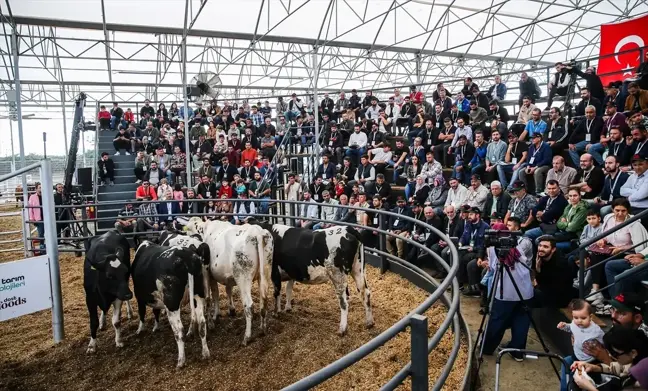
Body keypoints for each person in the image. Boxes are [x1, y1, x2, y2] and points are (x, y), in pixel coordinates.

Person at [481, 217, 535, 362]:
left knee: (497, 319)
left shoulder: (493, 247)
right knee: (521, 320)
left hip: (506, 291)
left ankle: (486, 348)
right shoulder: (517, 242)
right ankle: (517, 351)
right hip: (525, 290)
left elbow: (493, 267)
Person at [571, 326, 648, 391]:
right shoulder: (634, 360)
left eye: (615, 353)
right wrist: (595, 368)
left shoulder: (641, 377)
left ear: (633, 353)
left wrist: (590, 388)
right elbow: (621, 368)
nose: (611, 356)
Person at [556, 299, 605, 391]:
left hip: (589, 361)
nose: (579, 321)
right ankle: (564, 388)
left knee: (575, 379)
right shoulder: (575, 324)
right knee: (565, 363)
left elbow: (605, 343)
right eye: (575, 317)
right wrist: (564, 326)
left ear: (590, 317)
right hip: (576, 356)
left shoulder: (596, 331)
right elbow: (571, 328)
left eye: (583, 318)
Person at [534, 235, 575, 308]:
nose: (541, 249)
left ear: (553, 249)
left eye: (545, 247)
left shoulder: (560, 264)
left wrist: (538, 272)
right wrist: (538, 269)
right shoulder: (540, 257)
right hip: (548, 291)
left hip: (560, 297)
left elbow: (555, 288)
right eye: (540, 246)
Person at [458, 207, 489, 296]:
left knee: (466, 260)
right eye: (469, 214)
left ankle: (471, 287)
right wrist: (460, 243)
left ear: (478, 215)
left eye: (471, 214)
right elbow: (464, 236)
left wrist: (474, 248)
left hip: (478, 251)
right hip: (468, 248)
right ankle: (458, 282)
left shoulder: (485, 227)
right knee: (456, 254)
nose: (469, 216)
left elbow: (484, 245)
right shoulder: (468, 223)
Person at [619, 154, 648, 225]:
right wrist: (637, 191)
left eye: (640, 164)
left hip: (644, 209)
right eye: (635, 165)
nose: (637, 167)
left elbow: (641, 195)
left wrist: (629, 198)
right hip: (630, 207)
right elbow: (622, 190)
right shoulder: (633, 176)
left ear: (647, 164)